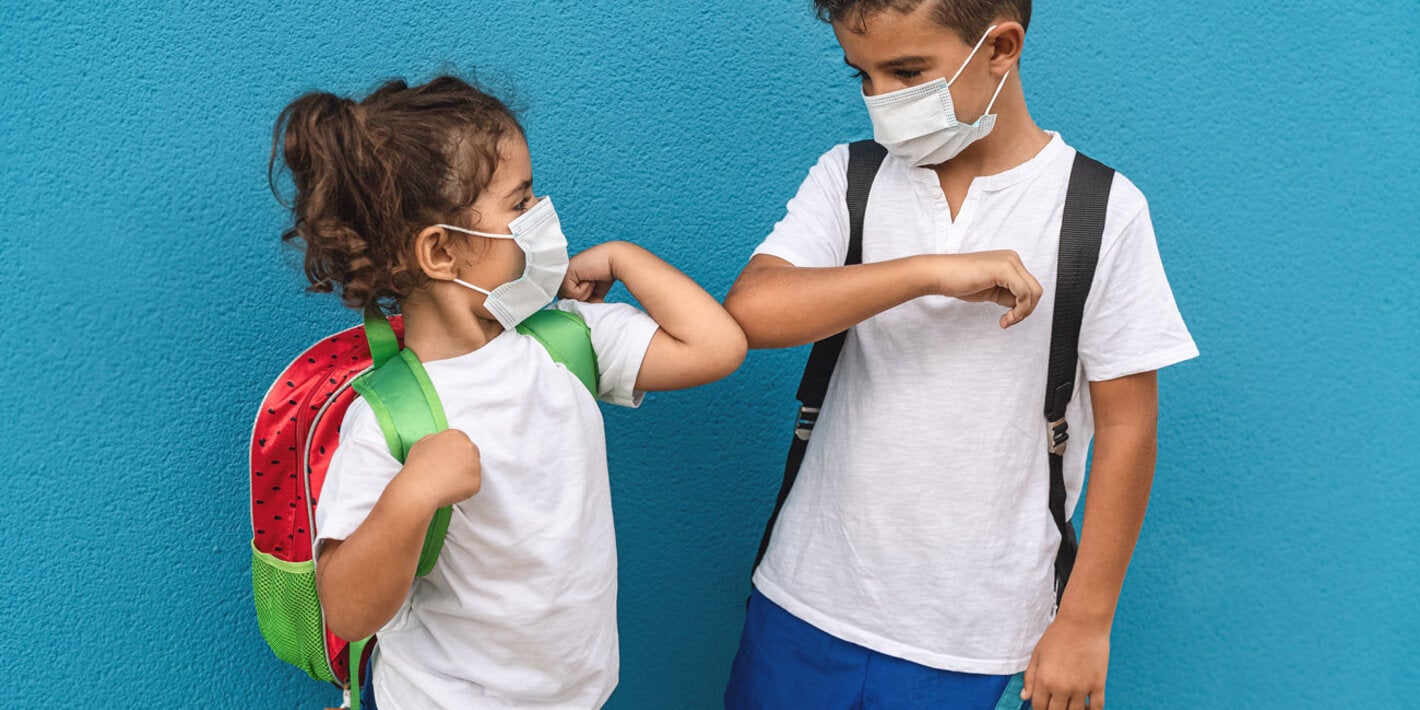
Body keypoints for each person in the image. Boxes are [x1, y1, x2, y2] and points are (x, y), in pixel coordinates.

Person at [722, 2, 1198, 708]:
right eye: (863, 76)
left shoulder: (1100, 210)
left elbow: (1129, 428)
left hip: (974, 633)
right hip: (806, 596)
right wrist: (929, 270)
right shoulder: (851, 177)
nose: (881, 102)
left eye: (908, 72)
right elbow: (752, 313)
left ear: (1001, 47)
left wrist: (1087, 621)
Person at [269, 75, 746, 709]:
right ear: (441, 251)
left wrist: (627, 259)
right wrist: (413, 495)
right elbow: (350, 613)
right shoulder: (390, 416)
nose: (542, 213)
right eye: (520, 202)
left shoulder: (562, 342)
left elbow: (717, 348)